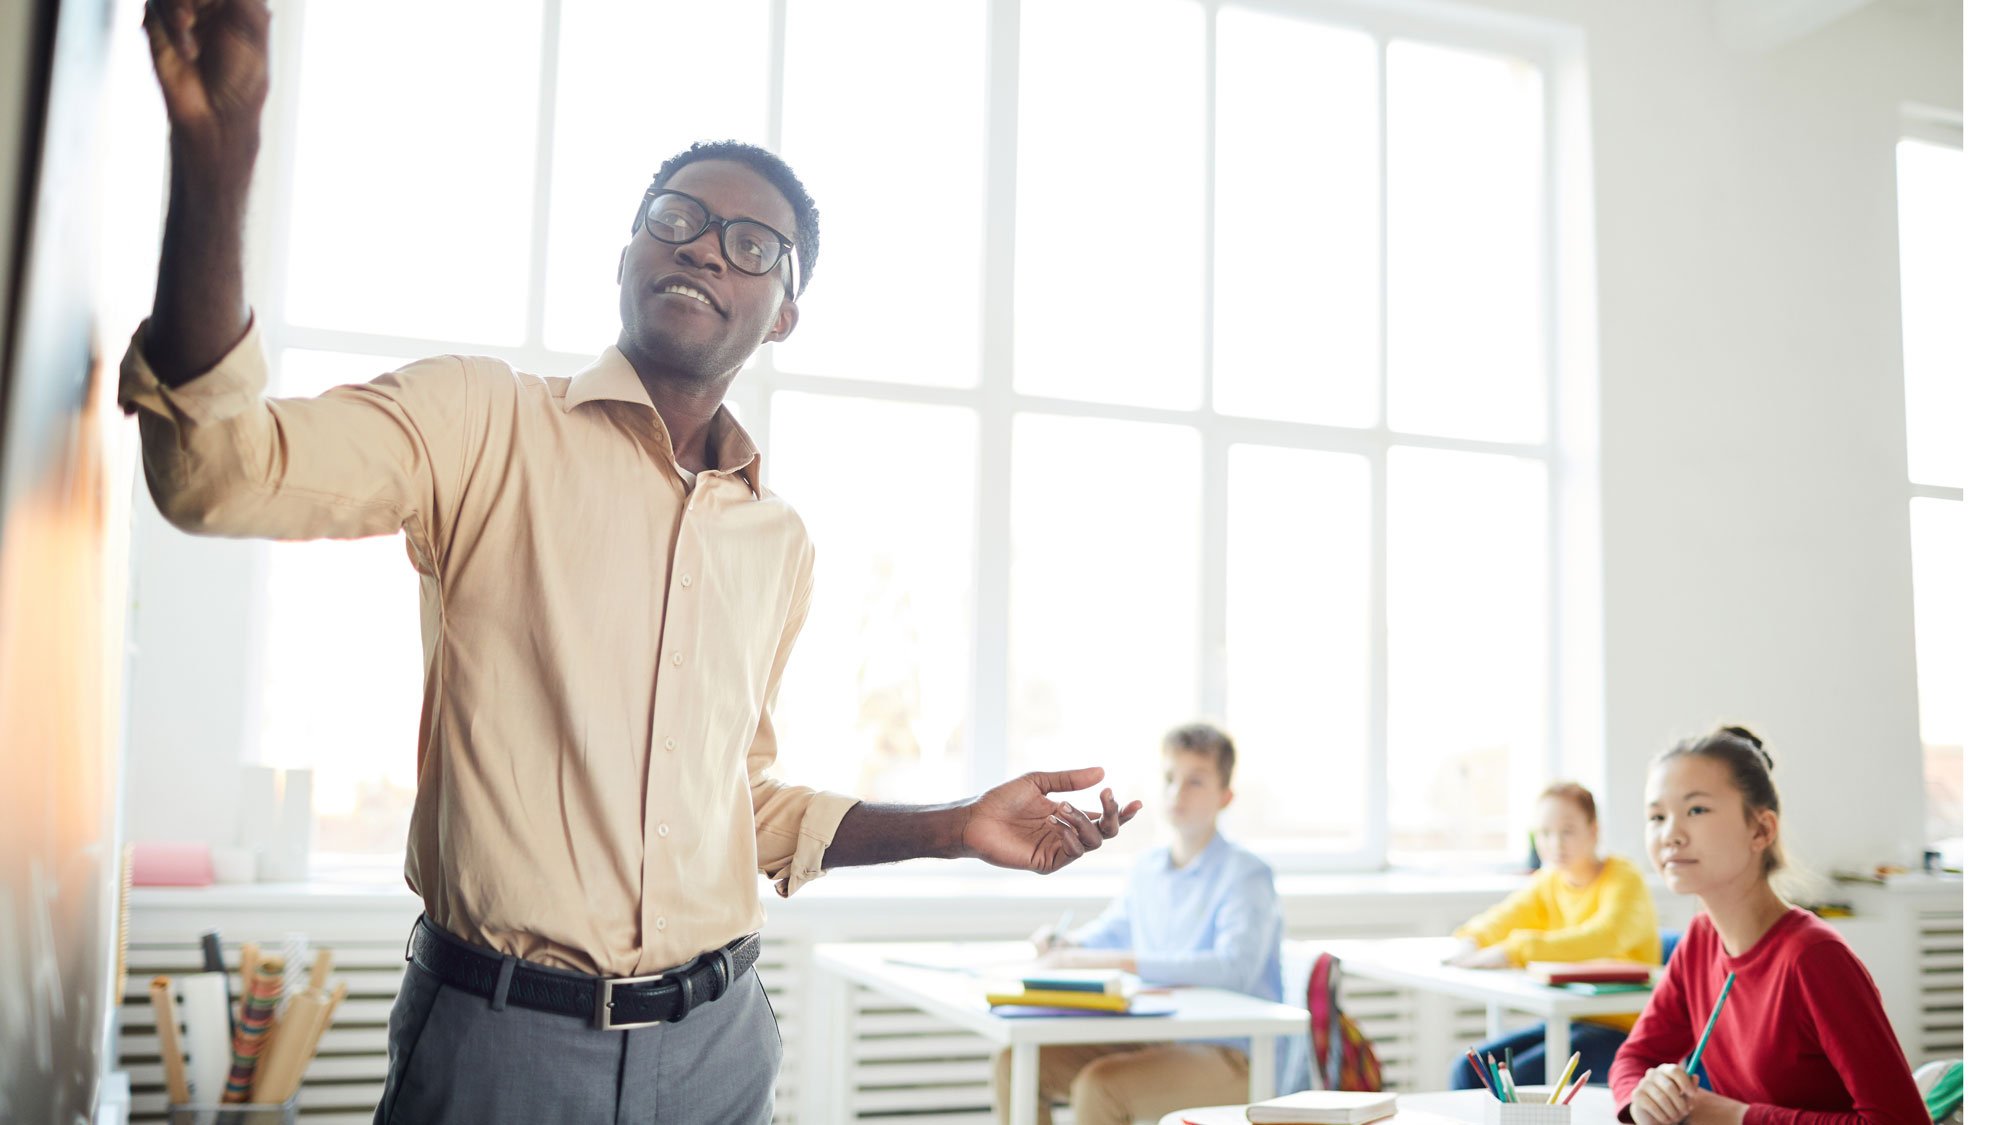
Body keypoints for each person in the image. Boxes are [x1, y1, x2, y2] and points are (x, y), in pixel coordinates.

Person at [127, 3, 1141, 1121]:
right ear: (628, 253)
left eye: (753, 244)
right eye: (679, 218)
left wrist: (952, 829)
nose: (707, 244)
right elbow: (213, 471)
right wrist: (216, 154)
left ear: (784, 311)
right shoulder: (481, 422)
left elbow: (736, 806)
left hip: (719, 1050)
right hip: (501, 1047)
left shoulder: (777, 541)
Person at [1612, 727, 1928, 1124]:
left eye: (1696, 810)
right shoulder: (1699, 940)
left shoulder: (1814, 958)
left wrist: (1740, 1117)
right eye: (1656, 816)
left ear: (1761, 830)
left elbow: (1902, 1121)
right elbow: (1634, 1057)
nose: (1669, 834)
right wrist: (1643, 1097)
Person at [993, 722, 1283, 1125]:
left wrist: (1125, 962)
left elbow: (1233, 968)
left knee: (1102, 1087)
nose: (1176, 792)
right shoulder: (1148, 868)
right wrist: (1066, 945)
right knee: (1017, 1067)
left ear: (1225, 797)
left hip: (1235, 1052)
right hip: (1159, 1033)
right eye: (1169, 778)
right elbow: (1112, 931)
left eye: (1195, 782)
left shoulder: (1246, 875)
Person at [1446, 781, 1659, 1089]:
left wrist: (1514, 951)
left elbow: (1603, 936)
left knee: (1506, 1083)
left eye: (1568, 831)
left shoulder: (1624, 879)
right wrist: (1471, 941)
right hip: (1570, 1021)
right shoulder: (1550, 881)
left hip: (1622, 1030)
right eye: (1545, 833)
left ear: (1593, 830)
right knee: (1467, 1071)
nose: (1556, 843)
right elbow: (1505, 917)